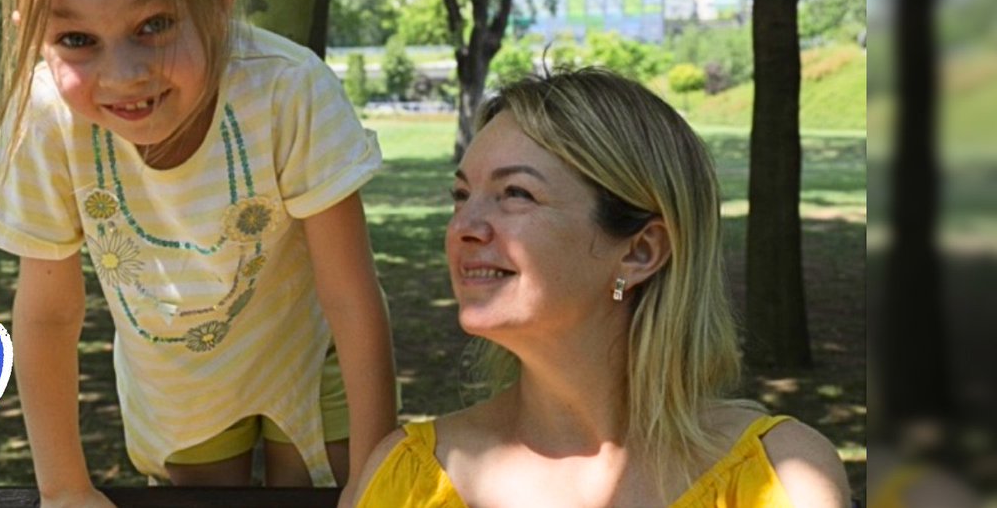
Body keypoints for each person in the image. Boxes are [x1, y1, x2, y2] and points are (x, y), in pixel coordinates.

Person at [0, 0, 396, 505]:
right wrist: (65, 488)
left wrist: (375, 479)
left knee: (321, 484)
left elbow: (351, 299)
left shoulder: (288, 92)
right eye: (77, 40)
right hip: (180, 377)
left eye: (154, 23)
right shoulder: (47, 116)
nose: (123, 74)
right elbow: (48, 316)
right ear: (34, 36)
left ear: (220, 0)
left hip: (312, 354)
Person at [351, 68, 851, 507]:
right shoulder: (409, 479)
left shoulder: (779, 478)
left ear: (640, 251)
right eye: (461, 195)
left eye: (515, 194)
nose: (465, 225)